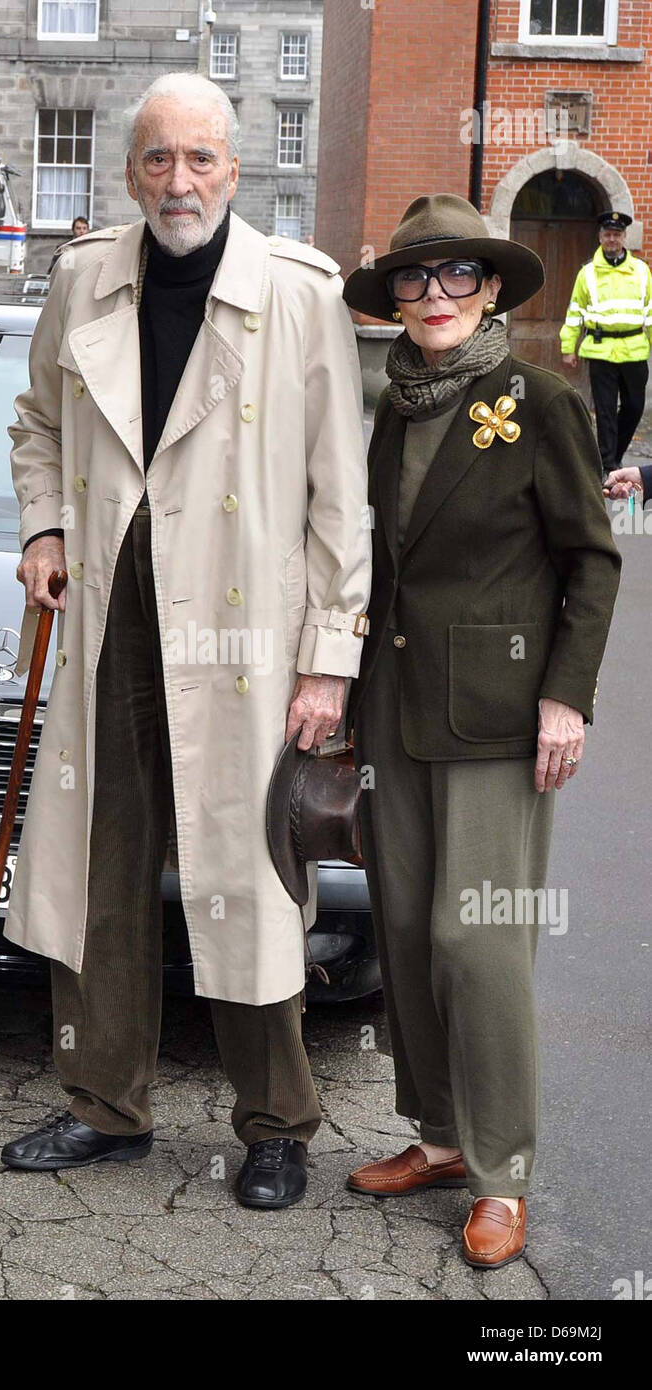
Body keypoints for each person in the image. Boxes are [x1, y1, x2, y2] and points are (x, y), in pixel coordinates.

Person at [0, 73, 371, 1209]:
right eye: (158, 159)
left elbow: (340, 497)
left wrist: (329, 659)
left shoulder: (297, 291)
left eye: (200, 158)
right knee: (99, 871)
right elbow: (38, 423)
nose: (179, 182)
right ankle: (103, 1104)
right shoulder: (82, 279)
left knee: (243, 874)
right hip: (112, 609)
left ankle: (277, 1124)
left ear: (233, 170)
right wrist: (44, 525)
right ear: (130, 172)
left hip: (243, 632)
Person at [342, 194, 621, 1268]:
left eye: (457, 274)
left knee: (479, 939)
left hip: (501, 716)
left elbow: (590, 559)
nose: (434, 295)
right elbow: (383, 566)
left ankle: (502, 1172)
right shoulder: (392, 405)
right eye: (414, 278)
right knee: (410, 932)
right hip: (395, 707)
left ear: (491, 287)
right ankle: (442, 1138)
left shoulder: (540, 401)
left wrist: (566, 695)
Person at [560, 210, 652, 478]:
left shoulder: (641, 271)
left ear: (624, 238)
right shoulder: (587, 273)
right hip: (600, 350)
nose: (612, 239)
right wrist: (568, 347)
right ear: (600, 237)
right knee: (605, 410)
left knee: (634, 407)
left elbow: (650, 311)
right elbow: (575, 312)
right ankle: (609, 465)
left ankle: (614, 454)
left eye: (617, 234)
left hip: (634, 349)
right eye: (608, 234)